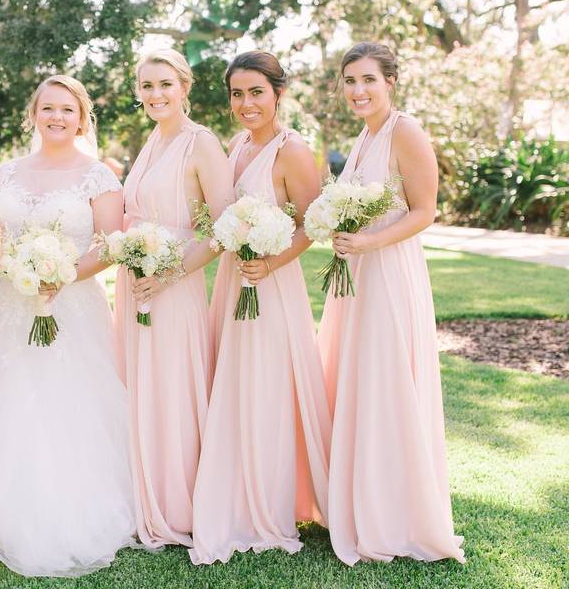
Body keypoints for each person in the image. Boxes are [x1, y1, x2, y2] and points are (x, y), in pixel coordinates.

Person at [0, 75, 135, 577]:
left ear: (81, 118)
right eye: (48, 108)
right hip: (11, 303)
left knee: (69, 402)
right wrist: (9, 265)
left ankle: (75, 509)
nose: (57, 117)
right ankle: (6, 508)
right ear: (33, 114)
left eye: (67, 110)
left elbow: (110, 243)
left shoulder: (99, 176)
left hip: (71, 305)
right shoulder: (5, 172)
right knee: (10, 399)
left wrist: (64, 273)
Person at [318, 41, 465, 566]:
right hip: (358, 271)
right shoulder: (364, 137)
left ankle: (395, 513)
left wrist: (371, 242)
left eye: (368, 80)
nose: (357, 90)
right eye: (350, 81)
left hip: (389, 272)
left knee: (386, 380)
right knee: (358, 378)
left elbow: (425, 211)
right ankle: (359, 501)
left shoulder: (405, 131)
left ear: (390, 82)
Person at [190, 51, 331, 563]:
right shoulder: (237, 145)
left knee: (267, 384)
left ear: (278, 93)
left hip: (270, 284)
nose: (246, 103)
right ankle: (232, 487)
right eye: (237, 93)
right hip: (235, 278)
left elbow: (310, 223)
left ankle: (267, 503)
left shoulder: (293, 151)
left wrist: (269, 265)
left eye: (256, 92)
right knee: (234, 379)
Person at [116, 48, 234, 548]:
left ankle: (177, 500)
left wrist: (167, 274)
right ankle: (140, 494)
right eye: (147, 86)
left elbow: (224, 227)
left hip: (174, 283)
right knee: (137, 384)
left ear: (185, 87)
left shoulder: (200, 144)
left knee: (171, 385)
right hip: (135, 282)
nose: (155, 94)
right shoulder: (151, 141)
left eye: (165, 84)